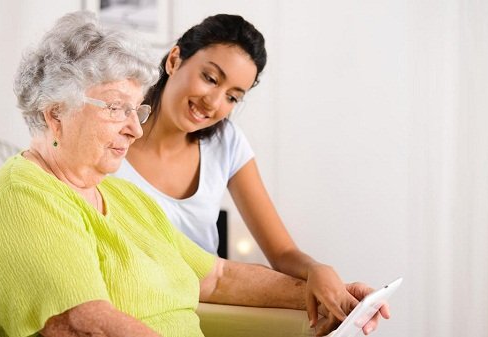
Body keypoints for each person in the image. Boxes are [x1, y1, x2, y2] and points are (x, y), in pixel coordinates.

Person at [0, 11, 387, 337]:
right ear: (55, 114)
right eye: (116, 108)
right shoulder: (22, 196)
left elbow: (218, 277)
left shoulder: (122, 198)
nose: (134, 126)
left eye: (135, 109)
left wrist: (335, 297)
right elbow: (84, 324)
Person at [114, 14, 388, 335]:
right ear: (175, 60)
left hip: (207, 303)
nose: (213, 102)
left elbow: (282, 252)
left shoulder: (225, 142)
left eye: (233, 96)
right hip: (133, 303)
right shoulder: (111, 134)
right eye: (211, 78)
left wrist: (318, 272)